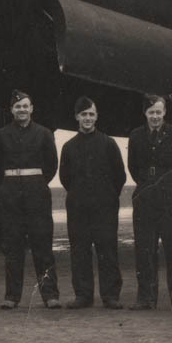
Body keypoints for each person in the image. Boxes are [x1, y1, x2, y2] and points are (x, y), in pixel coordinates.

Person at [0, 90, 60, 309]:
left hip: (37, 194)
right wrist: (7, 189)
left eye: (25, 106)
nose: (22, 110)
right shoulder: (0, 136)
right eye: (17, 107)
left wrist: (35, 183)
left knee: (43, 246)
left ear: (31, 109)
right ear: (11, 110)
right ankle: (12, 297)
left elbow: (51, 165)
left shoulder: (44, 133)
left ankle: (50, 295)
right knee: (12, 247)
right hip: (10, 196)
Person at [127, 94, 172, 311]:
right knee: (145, 249)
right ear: (145, 114)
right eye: (151, 112)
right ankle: (146, 298)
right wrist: (148, 187)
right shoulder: (136, 135)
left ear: (164, 112)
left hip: (170, 200)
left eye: (158, 112)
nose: (155, 116)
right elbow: (134, 167)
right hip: (145, 199)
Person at [60, 97, 126, 309]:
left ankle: (110, 295)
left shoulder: (108, 143)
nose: (87, 118)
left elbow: (120, 176)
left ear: (96, 116)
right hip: (78, 208)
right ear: (76, 117)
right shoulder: (69, 147)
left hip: (104, 208)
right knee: (79, 251)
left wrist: (105, 196)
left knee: (107, 249)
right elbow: (65, 177)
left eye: (91, 114)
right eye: (83, 114)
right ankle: (83, 295)